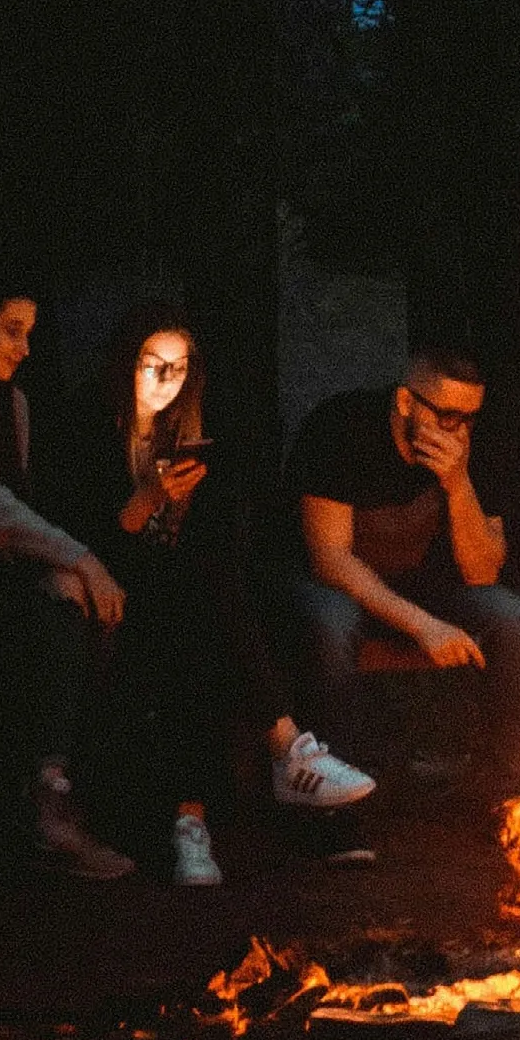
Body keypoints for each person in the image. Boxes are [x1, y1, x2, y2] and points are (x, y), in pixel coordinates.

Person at [87, 312, 375, 884]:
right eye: (153, 365)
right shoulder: (91, 432)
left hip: (187, 600)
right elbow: (88, 540)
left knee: (203, 614)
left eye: (179, 367)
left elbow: (222, 541)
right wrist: (146, 499)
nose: (166, 379)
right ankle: (288, 757)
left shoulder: (190, 433)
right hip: (112, 591)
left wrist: (190, 504)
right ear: (127, 365)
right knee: (205, 606)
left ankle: (193, 826)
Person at [289, 348, 520, 804]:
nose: (460, 430)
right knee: (331, 624)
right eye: (448, 416)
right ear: (407, 402)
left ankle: (511, 793)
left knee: (513, 618)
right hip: (339, 585)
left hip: (423, 586)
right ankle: (335, 801)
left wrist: (459, 483)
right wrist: (422, 625)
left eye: (470, 418)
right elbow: (330, 557)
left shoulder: (472, 445)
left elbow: (483, 570)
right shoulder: (342, 428)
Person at [0, 278, 135, 877]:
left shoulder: (8, 404)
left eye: (30, 333)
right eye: (11, 330)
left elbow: (12, 510)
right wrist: (80, 558)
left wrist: (62, 571)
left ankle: (54, 796)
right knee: (67, 592)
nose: (24, 348)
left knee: (75, 605)